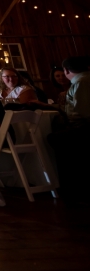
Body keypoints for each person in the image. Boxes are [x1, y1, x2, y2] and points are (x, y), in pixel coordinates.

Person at [48, 56, 90, 200]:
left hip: (83, 128)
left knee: (54, 138)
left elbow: (84, 111)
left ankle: (72, 186)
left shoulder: (81, 82)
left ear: (66, 70)